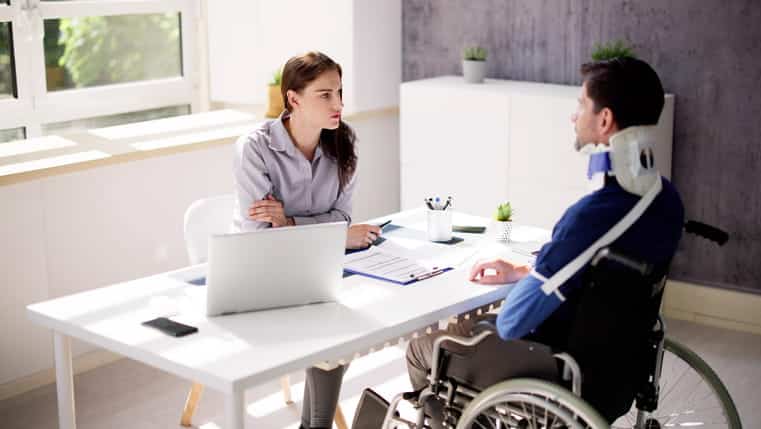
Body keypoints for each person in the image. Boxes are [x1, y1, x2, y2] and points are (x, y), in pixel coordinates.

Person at [405, 57, 685, 425]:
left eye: (581, 105)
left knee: (423, 348)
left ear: (604, 120)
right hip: (618, 371)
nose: (574, 117)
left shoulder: (592, 216)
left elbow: (511, 323)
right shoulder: (667, 202)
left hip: (559, 369)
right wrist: (529, 272)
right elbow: (598, 278)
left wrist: (537, 280)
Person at [232, 51, 380, 429]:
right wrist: (336, 235)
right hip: (260, 272)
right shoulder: (255, 147)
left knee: (364, 308)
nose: (339, 104)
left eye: (340, 92)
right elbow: (262, 236)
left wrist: (291, 220)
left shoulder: (343, 144)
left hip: (319, 266)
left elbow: (343, 218)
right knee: (334, 320)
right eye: (325, 94)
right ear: (293, 99)